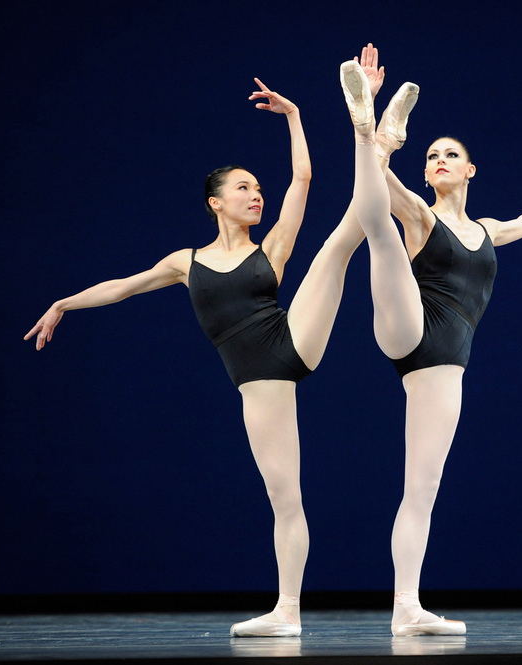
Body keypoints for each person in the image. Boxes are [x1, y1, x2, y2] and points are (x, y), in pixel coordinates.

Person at [24, 80, 367, 638]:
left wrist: (295, 115)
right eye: (244, 188)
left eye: (259, 188)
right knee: (286, 498)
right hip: (259, 384)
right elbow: (123, 287)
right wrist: (64, 302)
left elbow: (302, 179)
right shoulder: (186, 262)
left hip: (293, 340)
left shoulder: (272, 247)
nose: (257, 195)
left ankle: (376, 144)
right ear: (216, 202)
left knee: (336, 245)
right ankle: (287, 613)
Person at [340, 44, 522, 636]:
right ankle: (375, 133)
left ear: (471, 170)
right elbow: (378, 192)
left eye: (451, 154)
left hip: (441, 367)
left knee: (421, 487)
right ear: (425, 173)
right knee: (379, 221)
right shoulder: (422, 215)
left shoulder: (486, 230)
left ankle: (407, 609)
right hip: (405, 326)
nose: (442, 160)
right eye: (433, 156)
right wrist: (380, 155)